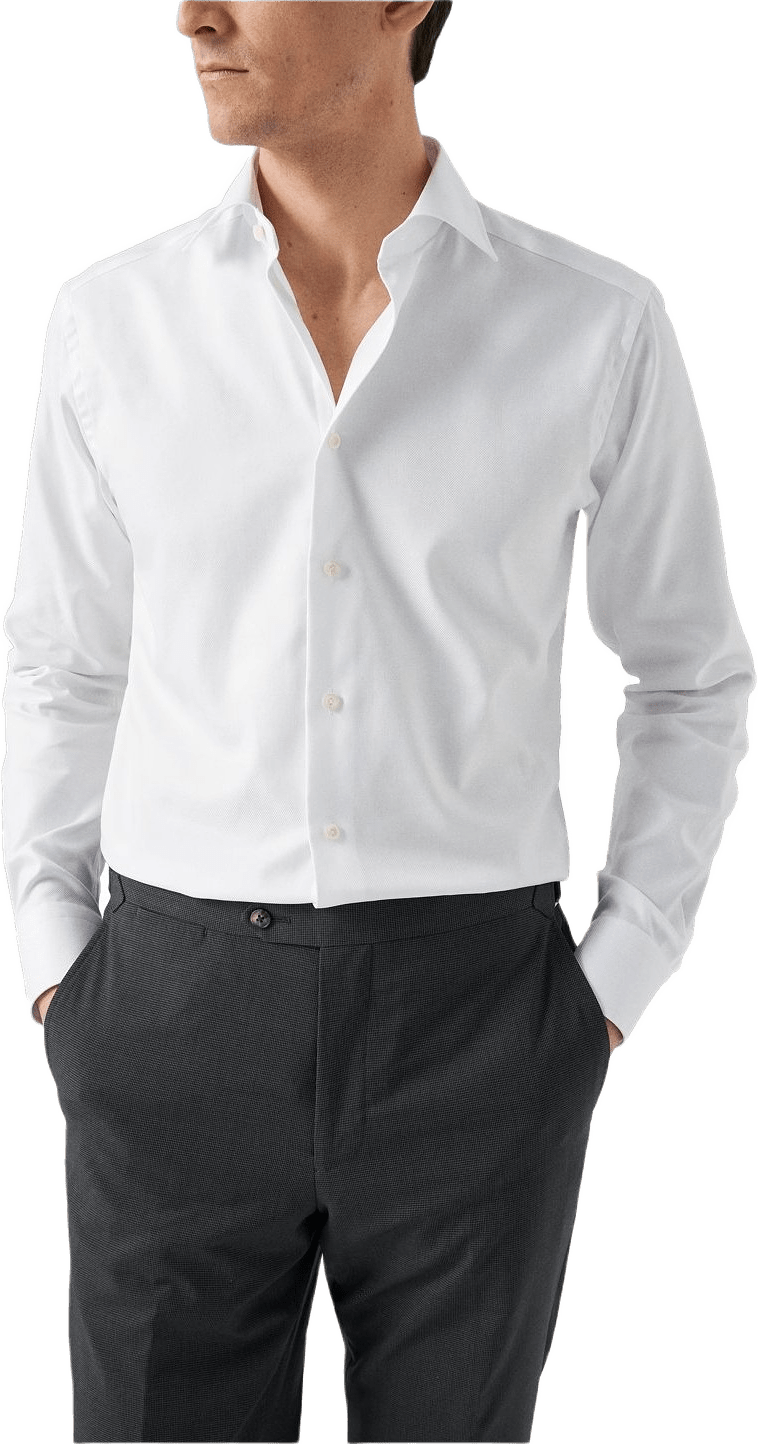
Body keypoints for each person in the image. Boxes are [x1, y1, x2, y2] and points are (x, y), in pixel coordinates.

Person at [1, 1, 755, 1440]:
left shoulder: (591, 320)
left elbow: (689, 672)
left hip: (478, 1020)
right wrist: (57, 962)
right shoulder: (111, 317)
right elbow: (58, 661)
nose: (191, 14)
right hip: (167, 1008)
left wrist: (613, 981)